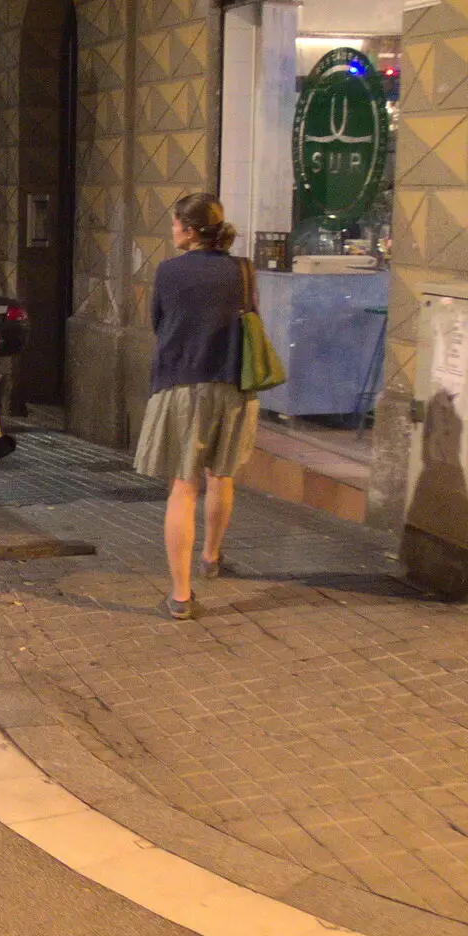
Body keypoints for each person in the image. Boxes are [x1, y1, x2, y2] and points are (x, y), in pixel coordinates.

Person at [134, 193, 258, 620]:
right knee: (221, 476)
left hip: (181, 384)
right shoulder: (242, 270)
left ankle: (181, 595)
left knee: (184, 487)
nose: (172, 231)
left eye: (174, 224)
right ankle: (211, 557)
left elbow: (158, 322)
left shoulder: (169, 272)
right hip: (231, 385)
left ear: (188, 230)